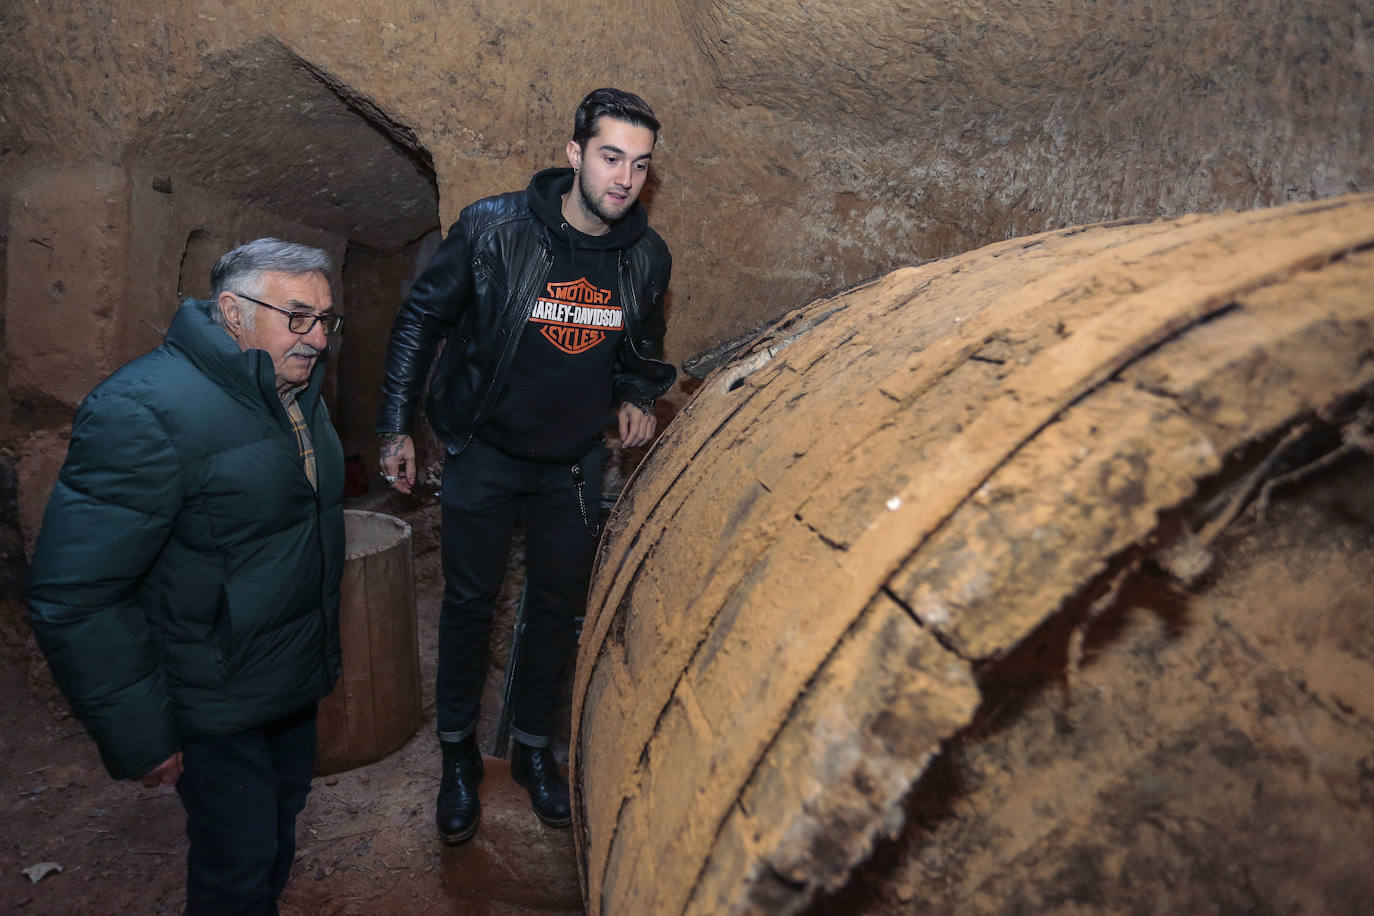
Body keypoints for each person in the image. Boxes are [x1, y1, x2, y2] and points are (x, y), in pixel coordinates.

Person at [375, 87, 676, 843]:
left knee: (555, 612)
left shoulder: (646, 255)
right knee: (469, 607)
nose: (624, 178)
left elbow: (640, 352)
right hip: (483, 451)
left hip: (572, 467)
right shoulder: (492, 228)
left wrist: (637, 393)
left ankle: (535, 751)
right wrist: (394, 428)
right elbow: (420, 319)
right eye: (611, 157)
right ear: (575, 154)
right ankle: (456, 759)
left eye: (640, 165)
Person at [26, 238, 346, 914]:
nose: (317, 338)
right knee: (238, 862)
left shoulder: (296, 391)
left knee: (277, 835)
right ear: (232, 311)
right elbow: (76, 593)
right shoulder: (143, 411)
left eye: (325, 319)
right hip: (212, 693)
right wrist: (141, 733)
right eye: (298, 317)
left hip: (286, 680)